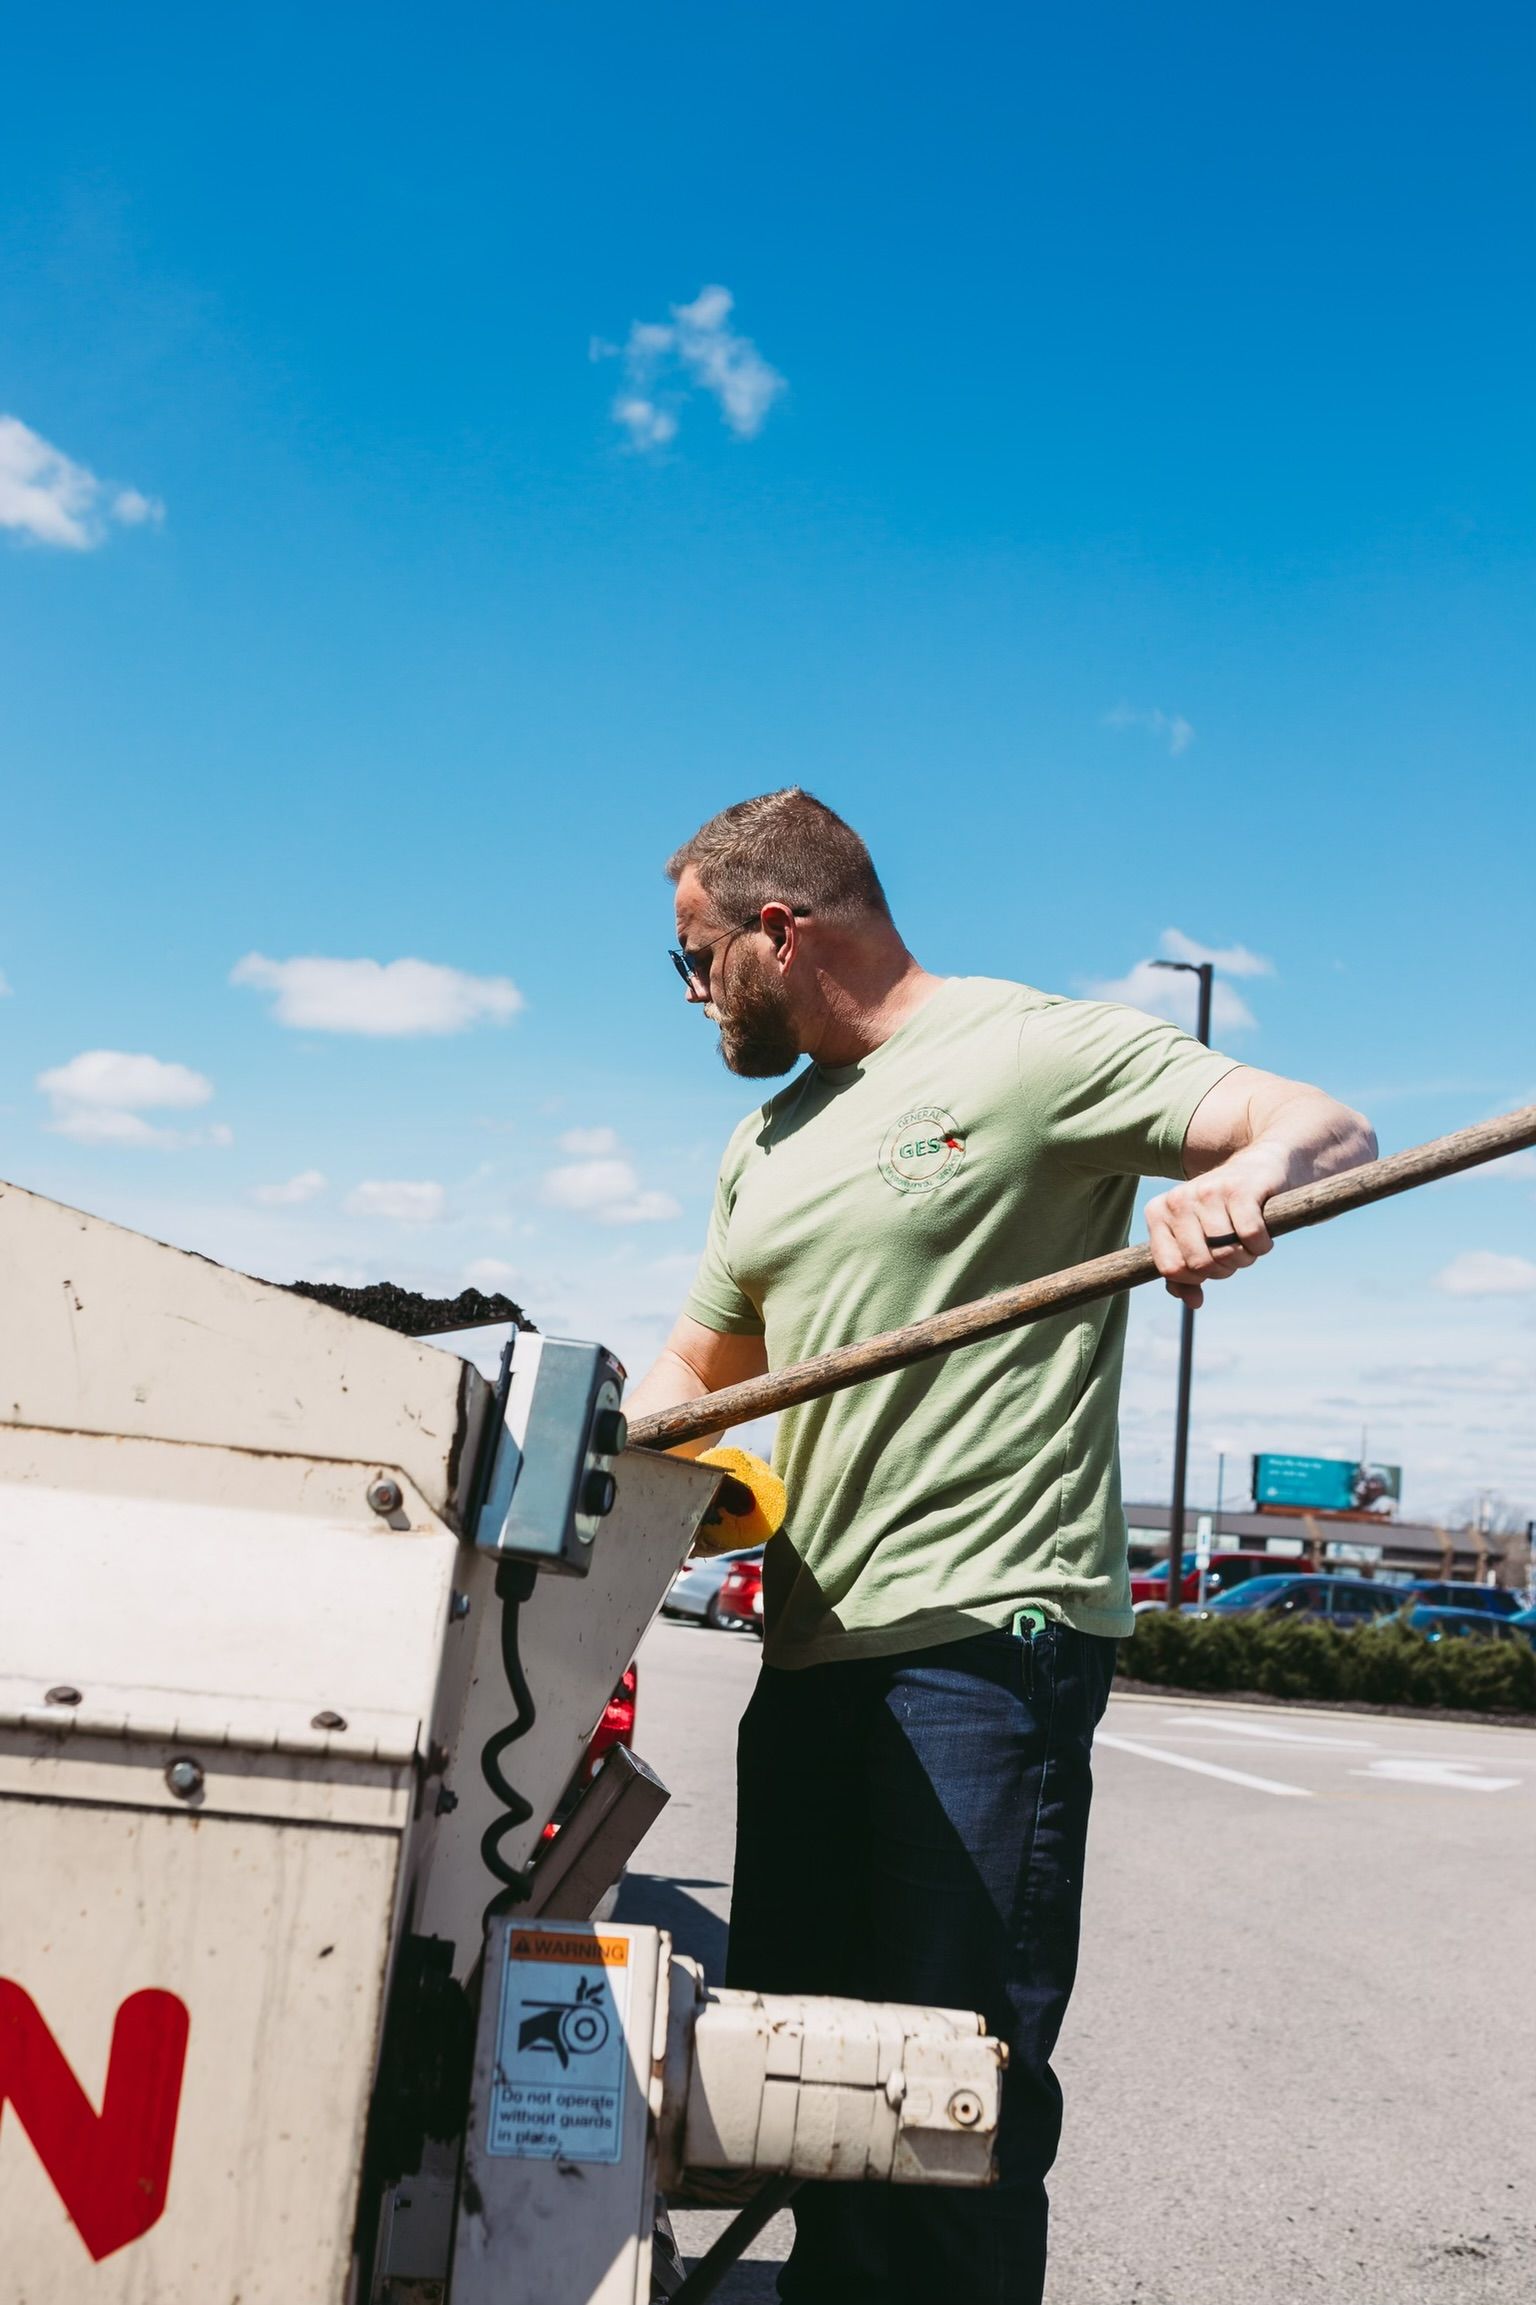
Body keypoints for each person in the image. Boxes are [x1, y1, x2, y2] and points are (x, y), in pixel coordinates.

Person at [625, 788, 1375, 2304]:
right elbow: (688, 1374)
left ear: (784, 930)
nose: (692, 988)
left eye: (697, 956)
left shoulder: (1022, 1052)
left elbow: (1319, 1121)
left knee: (941, 2104)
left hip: (983, 1652)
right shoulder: (764, 1143)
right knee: (800, 2092)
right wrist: (605, 1454)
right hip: (818, 1655)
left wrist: (1242, 1180)